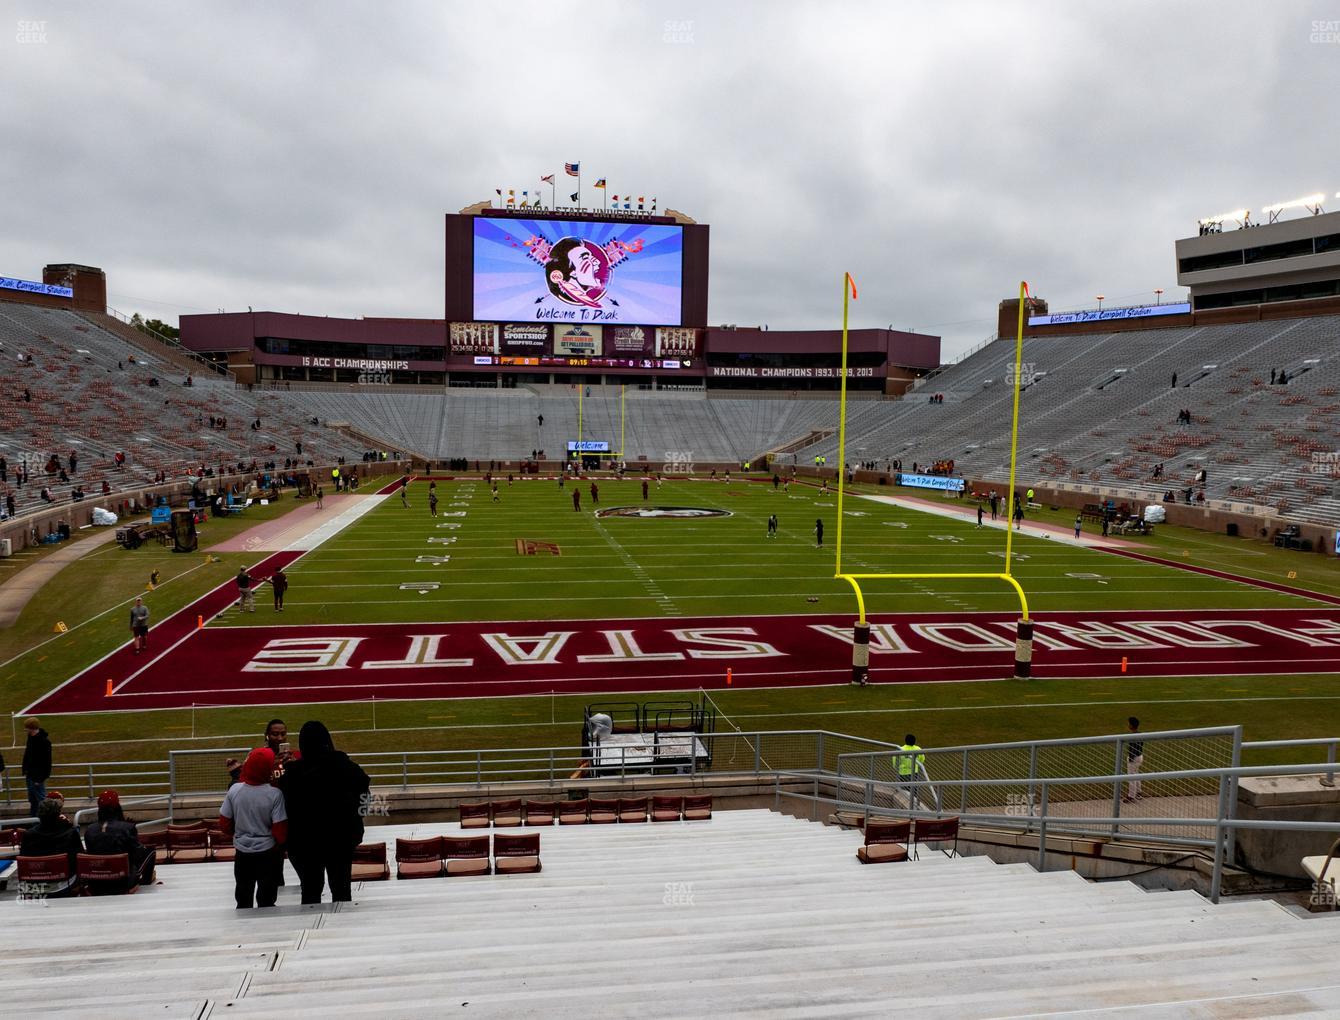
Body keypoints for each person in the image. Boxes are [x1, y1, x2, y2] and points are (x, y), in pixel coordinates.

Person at [279, 721, 371, 905]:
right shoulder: (348, 767)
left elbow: (284, 808)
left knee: (311, 889)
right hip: (341, 839)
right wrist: (357, 818)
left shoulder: (293, 775)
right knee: (341, 887)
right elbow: (364, 794)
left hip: (306, 842)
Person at [219, 748, 288, 909]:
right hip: (267, 854)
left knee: (243, 898)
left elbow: (224, 824)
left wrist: (240, 834)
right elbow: (280, 830)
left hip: (243, 853)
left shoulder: (235, 790)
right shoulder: (275, 794)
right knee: (267, 900)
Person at [83, 790, 155, 890]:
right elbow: (138, 853)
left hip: (96, 882)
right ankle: (146, 881)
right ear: (117, 807)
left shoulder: (89, 830)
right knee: (150, 851)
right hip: (122, 881)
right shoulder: (127, 828)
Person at [19, 798, 82, 897]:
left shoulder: (28, 835)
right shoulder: (70, 833)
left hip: (36, 886)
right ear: (58, 814)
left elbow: (24, 863)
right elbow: (79, 860)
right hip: (63, 885)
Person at [22, 717, 53, 818]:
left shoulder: (44, 742)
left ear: (31, 728)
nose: (25, 729)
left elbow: (47, 762)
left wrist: (40, 778)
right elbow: (28, 755)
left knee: (41, 800)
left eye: (26, 727)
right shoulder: (30, 737)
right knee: (32, 799)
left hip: (37, 777)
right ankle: (33, 820)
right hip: (30, 774)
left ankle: (45, 820)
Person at [1123, 717, 1144, 803]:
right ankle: (1139, 793)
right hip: (1140, 757)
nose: (1128, 725)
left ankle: (1131, 796)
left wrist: (1130, 759)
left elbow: (1133, 749)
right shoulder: (1140, 734)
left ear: (1131, 725)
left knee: (1131, 777)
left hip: (1134, 758)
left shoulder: (1132, 736)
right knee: (1136, 775)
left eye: (1129, 723)